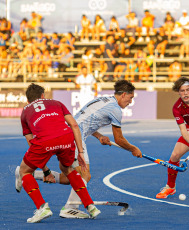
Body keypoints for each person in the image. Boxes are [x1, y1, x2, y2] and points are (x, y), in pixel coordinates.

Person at [31, 80, 142, 218]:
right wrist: (133, 149)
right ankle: (70, 207)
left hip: (66, 132)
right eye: (130, 98)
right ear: (124, 94)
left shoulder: (103, 99)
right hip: (74, 136)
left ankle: (28, 174)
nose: (130, 102)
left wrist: (99, 136)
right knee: (85, 175)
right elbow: (119, 139)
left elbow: (82, 120)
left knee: (69, 177)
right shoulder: (115, 109)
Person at [15, 83, 100, 223]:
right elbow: (74, 125)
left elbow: (31, 142)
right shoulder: (56, 102)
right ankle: (90, 206)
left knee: (24, 171)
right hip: (66, 137)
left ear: (28, 100)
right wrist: (80, 152)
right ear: (43, 95)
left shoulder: (25, 111)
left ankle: (42, 208)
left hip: (44, 141)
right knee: (67, 168)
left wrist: (45, 170)